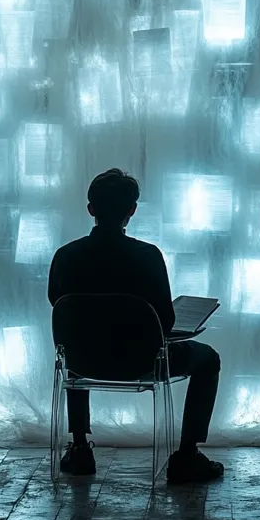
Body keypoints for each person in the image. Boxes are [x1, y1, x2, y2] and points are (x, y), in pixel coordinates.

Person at [48, 168, 223, 484]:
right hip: (141, 361)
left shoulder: (66, 256)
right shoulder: (148, 256)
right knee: (208, 358)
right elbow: (165, 322)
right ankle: (187, 455)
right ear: (132, 210)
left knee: (78, 340)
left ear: (91, 209)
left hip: (83, 359)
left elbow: (60, 310)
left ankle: (79, 448)